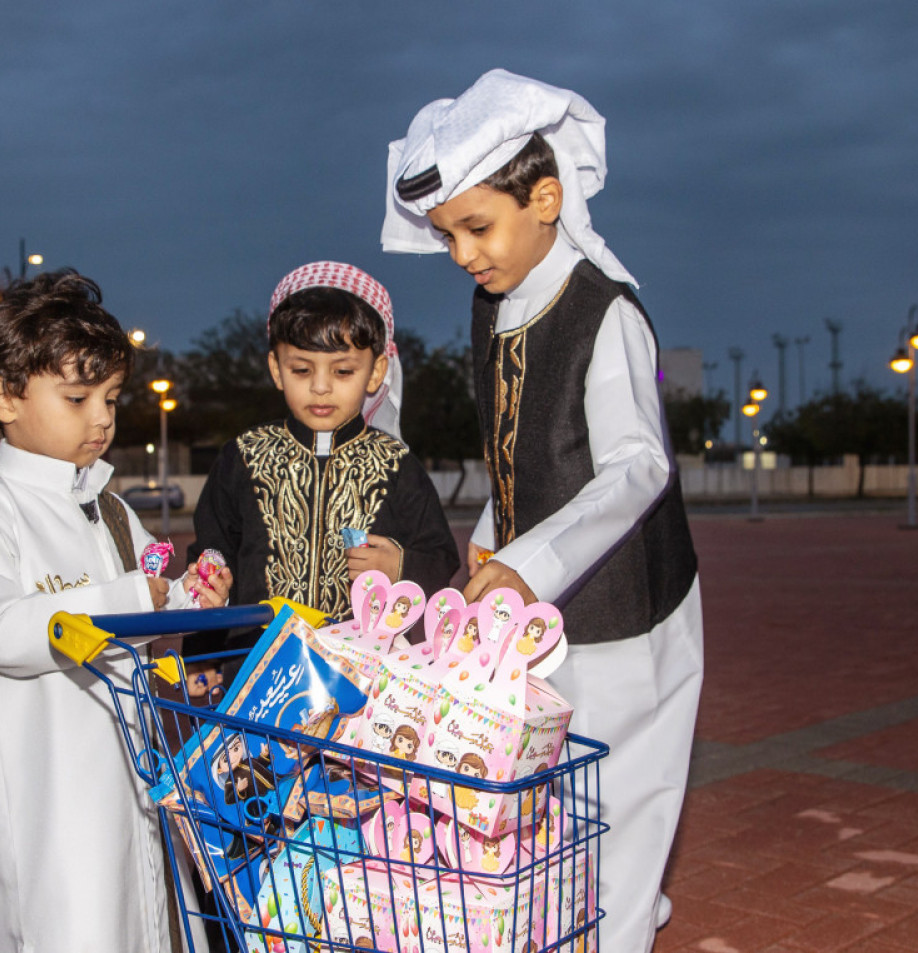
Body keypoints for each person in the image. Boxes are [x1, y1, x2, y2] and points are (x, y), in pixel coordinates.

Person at [382, 69, 703, 953]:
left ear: (547, 200)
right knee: (554, 804)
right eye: (447, 234)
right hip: (539, 607)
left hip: (631, 608)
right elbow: (518, 457)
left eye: (476, 227)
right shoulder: (493, 305)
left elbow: (638, 467)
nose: (462, 253)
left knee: (623, 804)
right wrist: (492, 546)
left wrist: (527, 565)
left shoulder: (607, 314)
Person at [0, 269, 232, 953]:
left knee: (146, 915)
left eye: (110, 398)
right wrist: (124, 602)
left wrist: (191, 597)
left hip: (131, 773)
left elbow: (152, 597)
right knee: (69, 925)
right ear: (4, 397)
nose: (102, 419)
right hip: (50, 800)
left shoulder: (108, 507)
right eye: (78, 398)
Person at [189, 261, 459, 638]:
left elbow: (440, 557)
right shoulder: (244, 457)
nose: (320, 387)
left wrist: (400, 566)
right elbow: (212, 555)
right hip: (255, 662)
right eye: (302, 370)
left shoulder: (396, 464)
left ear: (376, 372)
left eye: (342, 371)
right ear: (276, 369)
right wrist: (202, 650)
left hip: (364, 665)